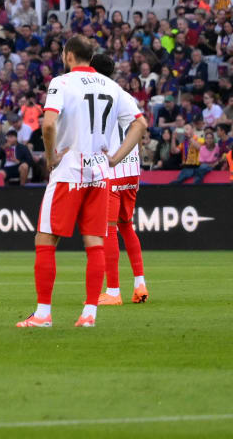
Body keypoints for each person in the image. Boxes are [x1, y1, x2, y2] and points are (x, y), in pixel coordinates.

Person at [16, 35, 145, 329]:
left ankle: (43, 314)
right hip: (100, 171)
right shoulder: (112, 87)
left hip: (69, 169)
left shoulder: (61, 83)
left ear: (69, 55)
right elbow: (141, 124)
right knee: (95, 242)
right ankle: (89, 314)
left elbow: (48, 124)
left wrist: (50, 156)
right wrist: (115, 158)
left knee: (46, 239)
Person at [94, 52, 148, 306]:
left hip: (112, 170)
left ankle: (113, 291)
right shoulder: (125, 95)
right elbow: (139, 127)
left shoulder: (97, 97)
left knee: (109, 229)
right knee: (127, 225)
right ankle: (140, 284)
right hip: (132, 169)